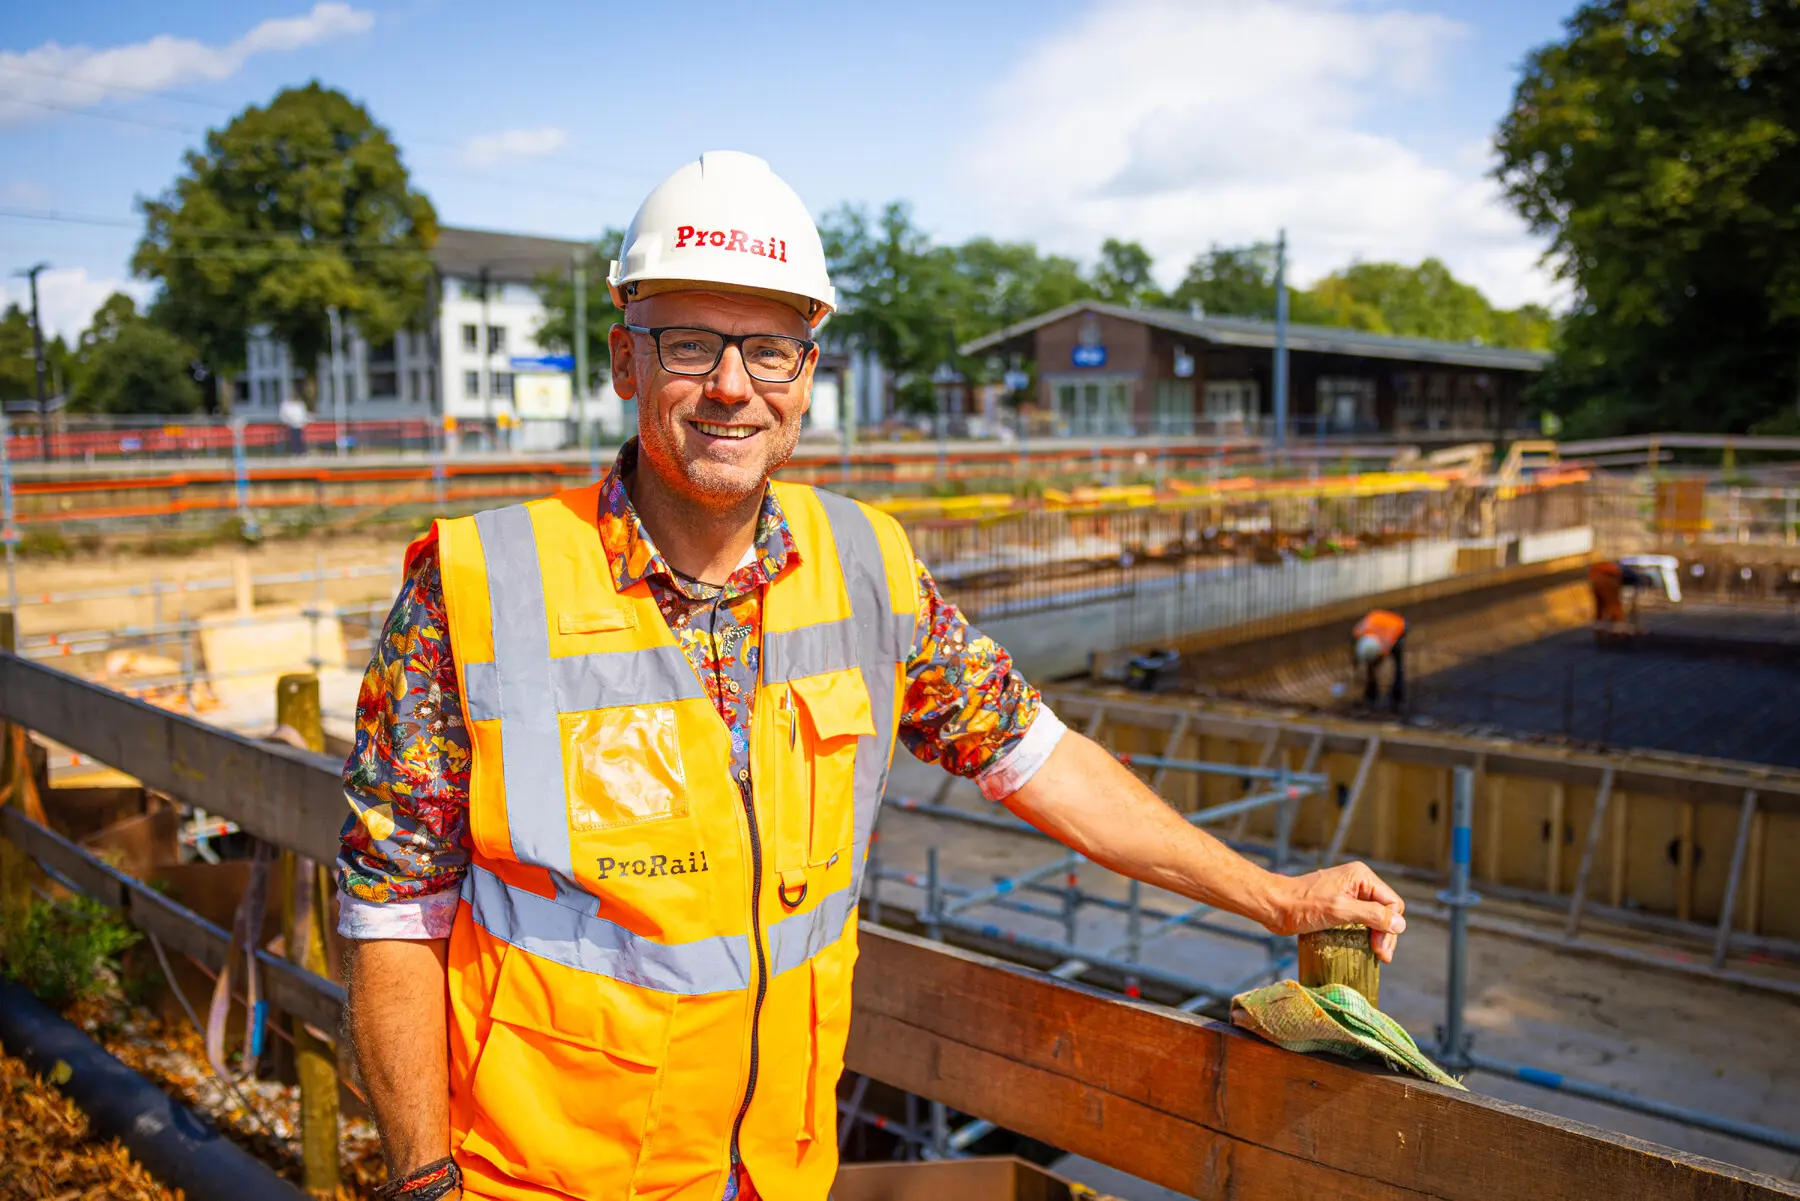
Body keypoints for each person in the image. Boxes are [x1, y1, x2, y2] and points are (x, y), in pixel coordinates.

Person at [336, 151, 1408, 1201]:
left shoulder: (868, 568)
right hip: (539, 1178)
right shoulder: (479, 587)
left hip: (777, 1172)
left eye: (768, 350)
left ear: (807, 373)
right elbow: (393, 910)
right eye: (689, 343)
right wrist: (424, 1180)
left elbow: (1039, 758)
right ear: (626, 362)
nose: (730, 388)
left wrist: (1274, 895)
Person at [1352, 609, 1407, 710]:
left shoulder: (1386, 642)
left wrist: (1374, 665)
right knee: (1371, 665)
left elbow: (1381, 657)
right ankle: (1372, 691)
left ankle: (1397, 694)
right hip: (1378, 620)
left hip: (1399, 626)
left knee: (1398, 664)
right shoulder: (1359, 631)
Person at [1589, 559, 1647, 627]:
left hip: (1594, 573)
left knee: (1601, 603)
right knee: (1614, 604)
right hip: (1609, 574)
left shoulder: (1629, 571)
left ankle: (1600, 623)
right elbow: (1633, 602)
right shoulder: (1636, 579)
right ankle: (1619, 624)